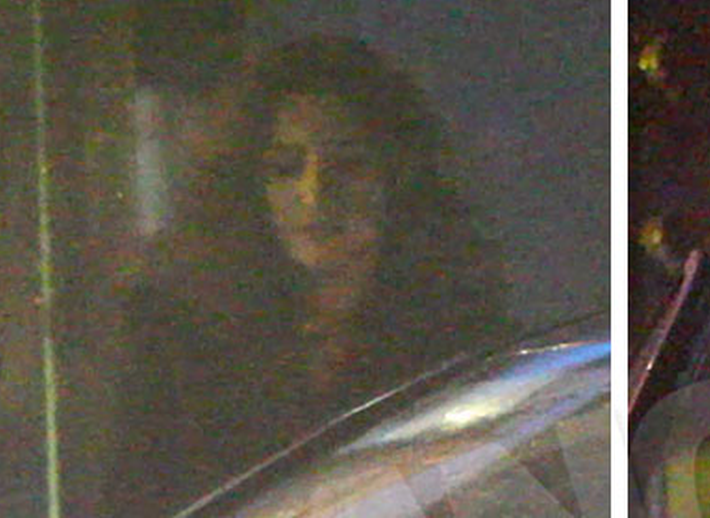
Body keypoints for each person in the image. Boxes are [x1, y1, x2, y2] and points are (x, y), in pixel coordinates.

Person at [105, 36, 516, 515]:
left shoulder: (461, 343)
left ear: (398, 175)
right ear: (248, 186)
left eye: (348, 164)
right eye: (285, 168)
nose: (314, 193)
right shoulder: (181, 348)